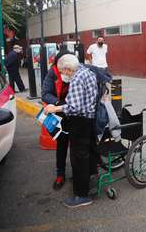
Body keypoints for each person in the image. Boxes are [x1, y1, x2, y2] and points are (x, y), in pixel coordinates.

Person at [44, 54, 99, 208]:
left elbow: (74, 107)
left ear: (68, 69)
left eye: (63, 72)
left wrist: (54, 107)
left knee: (78, 157)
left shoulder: (76, 79)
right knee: (86, 154)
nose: (63, 75)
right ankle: (88, 183)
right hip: (89, 120)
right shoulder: (87, 72)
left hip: (80, 121)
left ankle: (82, 196)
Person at [42, 49, 70, 190]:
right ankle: (60, 174)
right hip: (60, 113)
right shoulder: (52, 73)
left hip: (76, 112)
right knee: (62, 144)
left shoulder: (76, 70)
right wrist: (58, 104)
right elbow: (45, 94)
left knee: (80, 143)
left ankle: (84, 171)